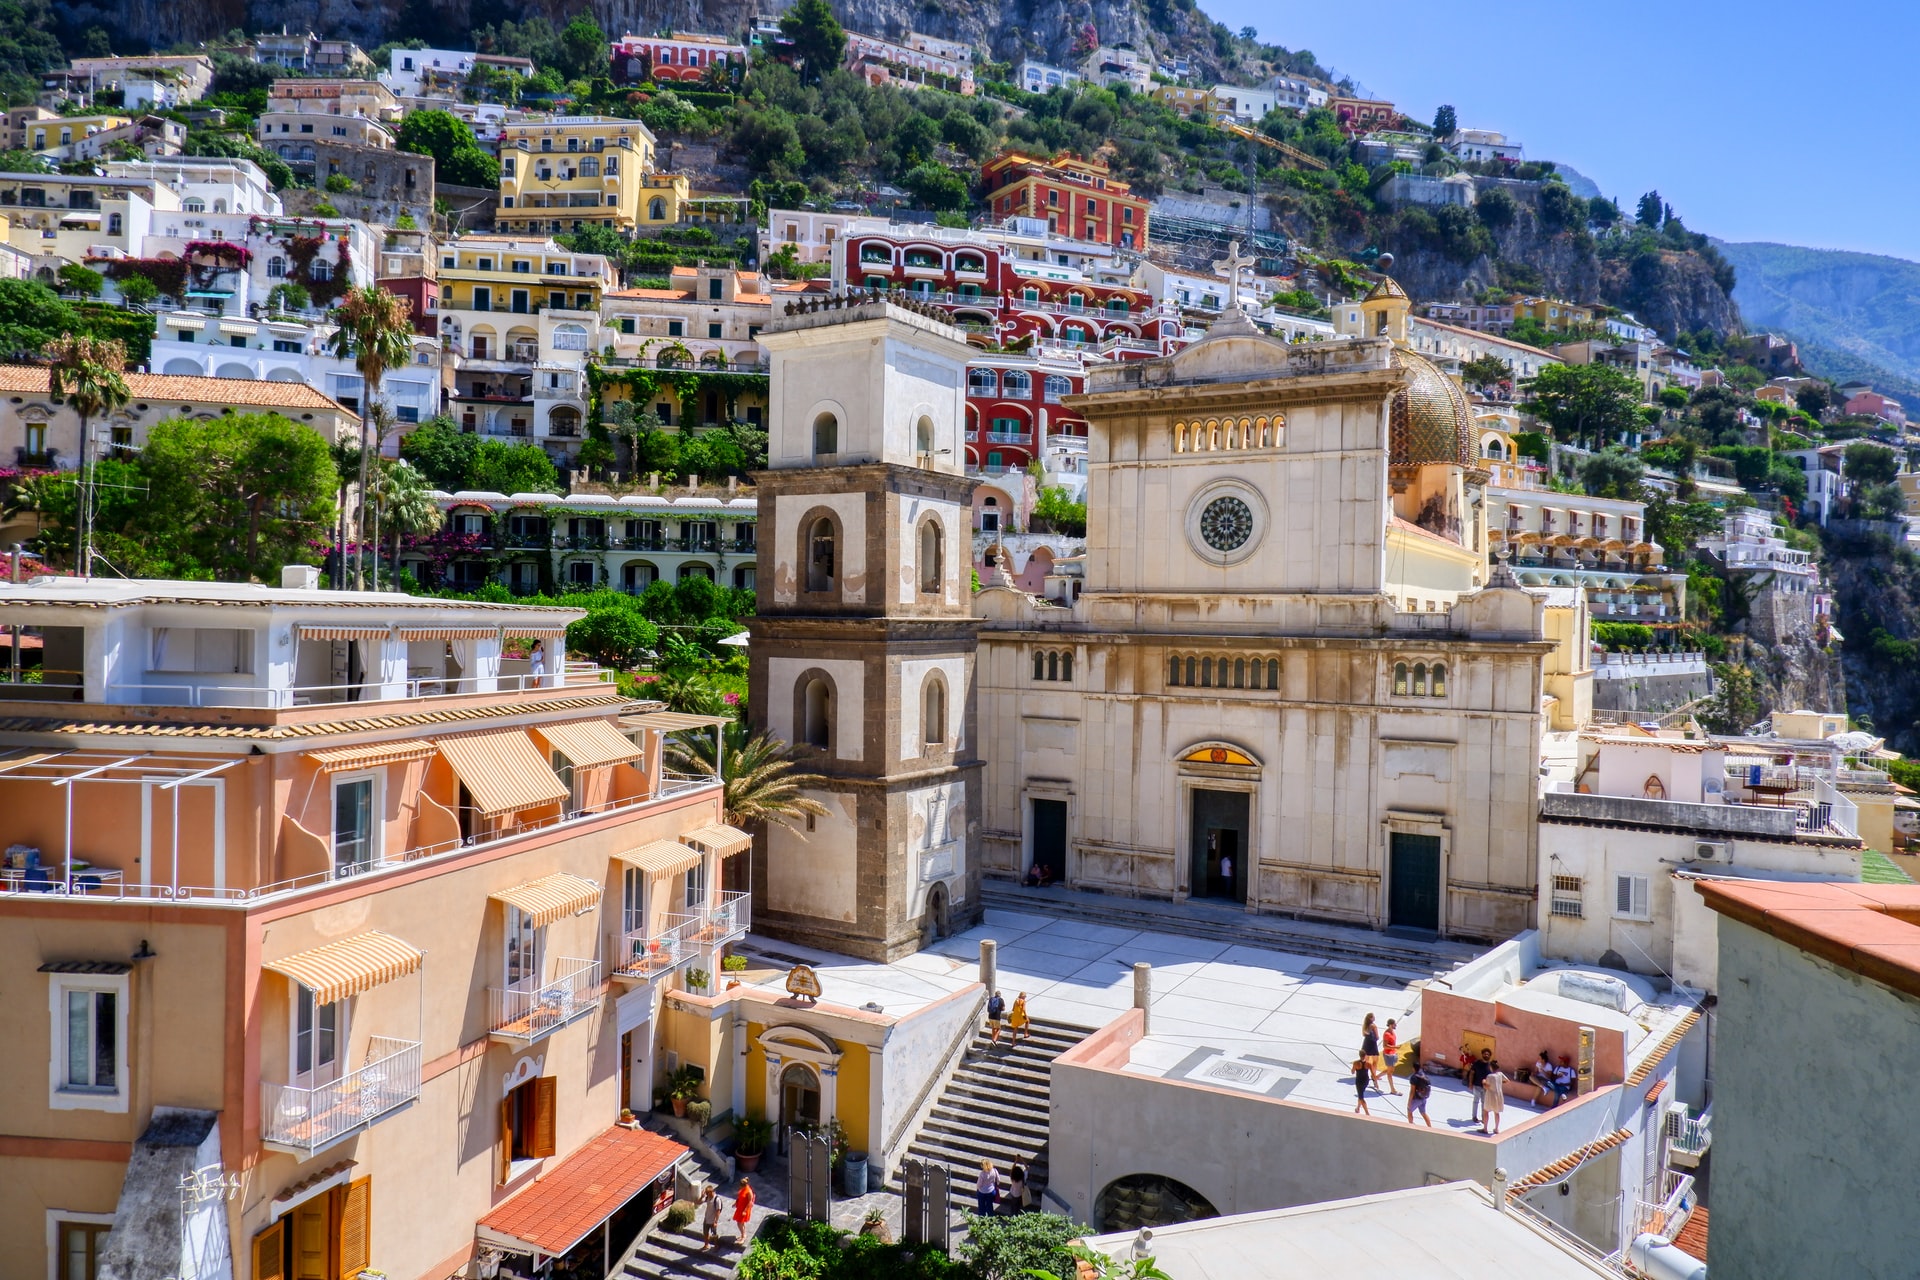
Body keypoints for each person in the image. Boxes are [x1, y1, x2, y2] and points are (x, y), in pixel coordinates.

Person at [1466, 1047, 1494, 1124]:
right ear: (1482, 1054)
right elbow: (1472, 1073)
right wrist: (1470, 1083)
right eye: (1485, 1054)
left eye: (1488, 1054)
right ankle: (1474, 1117)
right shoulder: (1477, 1063)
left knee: (1484, 1103)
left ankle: (1483, 1118)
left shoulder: (1490, 1065)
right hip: (1477, 1086)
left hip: (1486, 1088)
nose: (1486, 1055)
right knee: (1475, 1102)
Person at [1481, 1060, 1509, 1136]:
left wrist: (1483, 1082)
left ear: (1491, 1067)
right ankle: (1496, 1128)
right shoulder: (1500, 1074)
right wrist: (1499, 1083)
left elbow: (1486, 1086)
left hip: (1491, 1095)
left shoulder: (1490, 1076)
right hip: (1498, 1095)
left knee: (1486, 1111)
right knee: (1496, 1112)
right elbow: (1507, 1080)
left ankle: (1485, 1128)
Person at [1406, 1062, 1433, 1127]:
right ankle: (1430, 1127)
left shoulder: (1413, 1077)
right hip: (1424, 1098)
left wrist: (1409, 1101)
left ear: (1413, 1068)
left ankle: (1411, 1126)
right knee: (1423, 1113)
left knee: (1409, 1111)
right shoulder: (1423, 1074)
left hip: (1417, 1098)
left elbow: (1412, 1091)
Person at [1360, 1014, 1382, 1092]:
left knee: (1365, 1061)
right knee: (1375, 1062)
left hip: (1366, 1044)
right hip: (1372, 1044)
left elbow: (1363, 1034)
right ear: (1371, 1018)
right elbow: (1377, 1037)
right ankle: (1374, 1076)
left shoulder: (1365, 1025)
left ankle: (1364, 1075)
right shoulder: (1373, 1026)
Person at [1380, 1019, 1401, 1096]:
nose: (1396, 1025)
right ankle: (1393, 1089)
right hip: (1388, 1055)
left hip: (1393, 1053)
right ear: (1390, 1025)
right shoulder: (1387, 1034)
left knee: (1390, 1070)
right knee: (1390, 1073)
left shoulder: (1392, 1032)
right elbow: (1384, 1046)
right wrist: (1395, 1047)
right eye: (1394, 1024)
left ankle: (1376, 1077)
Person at [732, 1177, 755, 1244]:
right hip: (740, 1208)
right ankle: (743, 1235)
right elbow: (739, 1197)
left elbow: (749, 1202)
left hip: (744, 1209)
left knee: (739, 1223)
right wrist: (735, 1203)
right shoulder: (743, 1189)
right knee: (741, 1223)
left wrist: (745, 1211)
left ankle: (743, 1236)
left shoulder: (749, 1191)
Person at [699, 1183, 722, 1248]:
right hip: (706, 1219)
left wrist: (715, 1221)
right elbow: (698, 1202)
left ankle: (716, 1245)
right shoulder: (707, 1197)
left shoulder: (716, 1200)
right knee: (705, 1233)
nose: (706, 1194)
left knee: (714, 1234)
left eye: (707, 1193)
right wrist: (702, 1196)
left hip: (712, 1220)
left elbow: (718, 1211)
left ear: (711, 1192)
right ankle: (706, 1244)